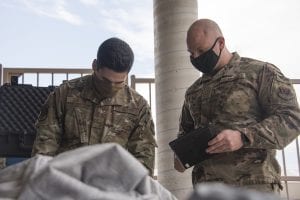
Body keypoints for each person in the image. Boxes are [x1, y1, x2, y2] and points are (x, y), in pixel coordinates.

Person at [174, 18, 300, 193]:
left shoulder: (260, 73)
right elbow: (184, 135)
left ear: (220, 43)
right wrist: (181, 156)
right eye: (191, 53)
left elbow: (292, 118)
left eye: (201, 50)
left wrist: (244, 137)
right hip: (207, 191)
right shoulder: (193, 92)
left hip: (254, 188)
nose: (195, 57)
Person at [32, 37, 157, 176]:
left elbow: (143, 161)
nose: (111, 87)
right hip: (65, 183)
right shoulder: (65, 94)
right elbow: (45, 146)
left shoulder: (138, 107)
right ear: (95, 66)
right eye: (105, 81)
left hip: (112, 188)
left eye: (118, 83)